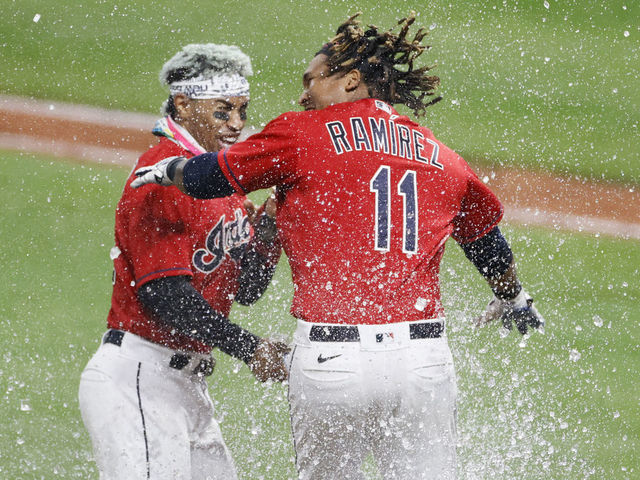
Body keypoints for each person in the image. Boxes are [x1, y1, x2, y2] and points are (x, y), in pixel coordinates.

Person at [131, 14, 544, 480]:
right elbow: (486, 242)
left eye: (311, 80)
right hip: (422, 362)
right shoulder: (440, 153)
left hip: (333, 363)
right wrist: (513, 297)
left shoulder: (302, 134)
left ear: (351, 80)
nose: (304, 94)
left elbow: (207, 177)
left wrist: (166, 171)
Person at [79, 44, 289, 480]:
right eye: (222, 111)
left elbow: (246, 290)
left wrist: (269, 232)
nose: (236, 125)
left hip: (186, 387)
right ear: (183, 104)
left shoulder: (215, 177)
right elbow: (164, 296)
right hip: (140, 380)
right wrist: (250, 350)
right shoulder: (160, 177)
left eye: (242, 111)